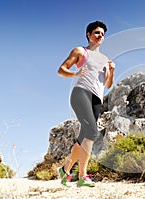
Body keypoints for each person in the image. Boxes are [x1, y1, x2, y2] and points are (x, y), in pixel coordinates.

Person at [57, 20, 115, 187]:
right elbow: (61, 69)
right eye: (97, 33)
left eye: (103, 34)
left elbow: (108, 84)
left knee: (85, 136)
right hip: (80, 93)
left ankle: (65, 169)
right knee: (92, 131)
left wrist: (111, 72)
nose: (100, 36)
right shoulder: (80, 51)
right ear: (89, 35)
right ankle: (82, 175)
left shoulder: (105, 59)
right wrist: (76, 73)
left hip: (97, 99)